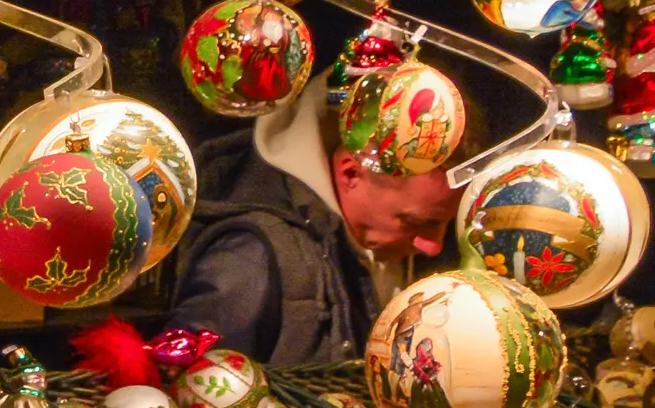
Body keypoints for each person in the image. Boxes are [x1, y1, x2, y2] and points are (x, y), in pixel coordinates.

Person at [160, 77, 459, 365]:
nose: (434, 246)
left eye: (446, 222)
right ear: (351, 174)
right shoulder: (252, 260)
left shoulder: (381, 243)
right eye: (415, 222)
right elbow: (188, 390)